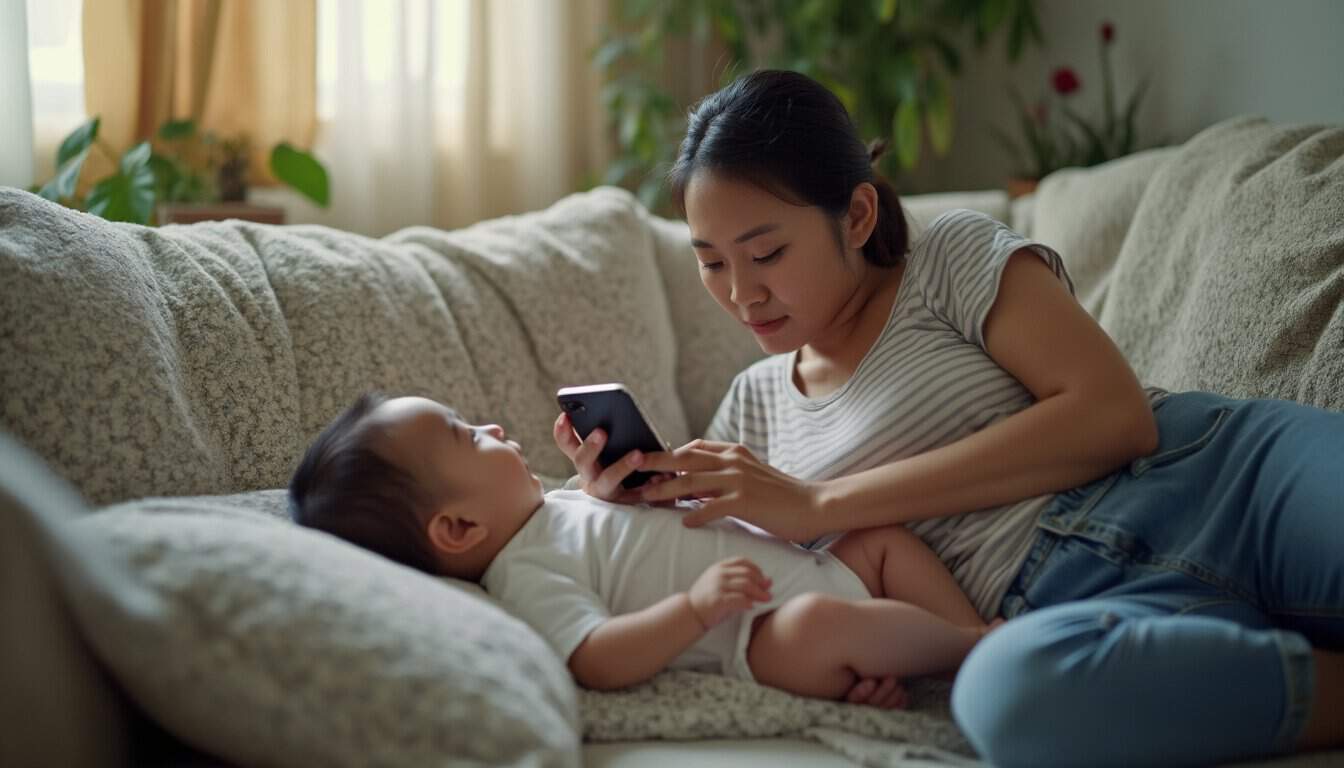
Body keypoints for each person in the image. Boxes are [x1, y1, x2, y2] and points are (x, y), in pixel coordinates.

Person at [551, 69, 1344, 766]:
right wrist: (617, 496)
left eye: (767, 254)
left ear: (856, 216)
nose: (741, 293)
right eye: (712, 261)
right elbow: (750, 601)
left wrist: (820, 503)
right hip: (1059, 613)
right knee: (1006, 701)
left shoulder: (947, 259)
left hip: (1216, 478)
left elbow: (1115, 417)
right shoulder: (748, 414)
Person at [288, 392, 999, 708]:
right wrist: (693, 611)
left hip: (814, 566)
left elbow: (610, 525)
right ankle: (978, 651)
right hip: (759, 635)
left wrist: (621, 482)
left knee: (879, 538)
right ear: (459, 531)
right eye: (469, 435)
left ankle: (965, 634)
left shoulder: (562, 506)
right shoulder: (526, 571)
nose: (494, 426)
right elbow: (596, 657)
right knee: (820, 626)